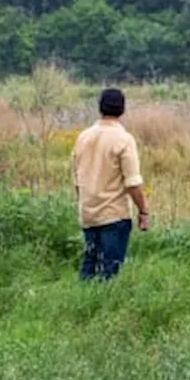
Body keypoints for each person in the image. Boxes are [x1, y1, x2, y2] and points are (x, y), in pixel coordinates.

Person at [71, 88, 149, 281]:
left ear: (100, 108)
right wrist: (143, 210)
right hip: (114, 215)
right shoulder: (124, 139)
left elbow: (76, 177)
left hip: (88, 212)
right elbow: (132, 182)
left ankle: (84, 305)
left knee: (90, 266)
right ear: (122, 109)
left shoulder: (83, 137)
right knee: (110, 271)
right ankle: (104, 306)